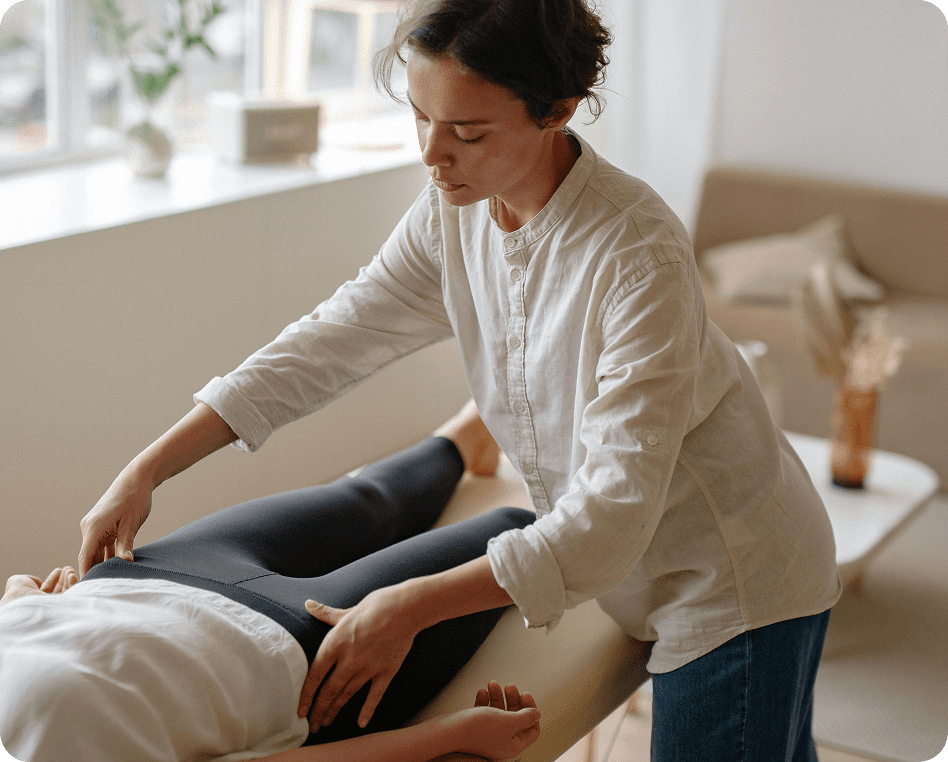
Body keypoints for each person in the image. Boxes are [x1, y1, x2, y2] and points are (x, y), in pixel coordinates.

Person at [78, 0, 843, 759]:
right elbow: (327, 343)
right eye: (420, 117)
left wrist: (408, 606)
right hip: (637, 571)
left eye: (468, 132)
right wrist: (148, 469)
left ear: (560, 110)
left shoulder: (636, 255)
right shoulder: (454, 212)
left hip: (732, 577)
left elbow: (609, 519)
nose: (432, 153)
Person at [1, 417, 541, 762]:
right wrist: (455, 735)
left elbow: (14, 615)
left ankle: (470, 432)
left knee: (366, 501)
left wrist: (26, 600)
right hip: (296, 652)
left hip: (149, 574)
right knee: (515, 534)